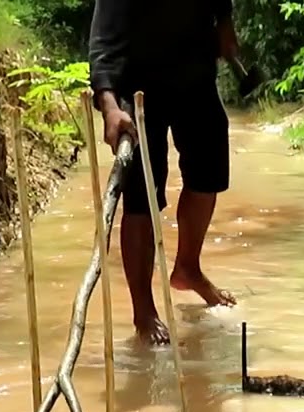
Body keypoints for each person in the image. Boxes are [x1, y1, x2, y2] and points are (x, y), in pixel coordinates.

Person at [87, 0, 240, 345]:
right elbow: (102, 44)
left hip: (195, 75)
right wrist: (110, 107)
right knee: (141, 198)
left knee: (209, 173)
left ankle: (188, 267)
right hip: (138, 87)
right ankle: (144, 309)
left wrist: (225, 20)